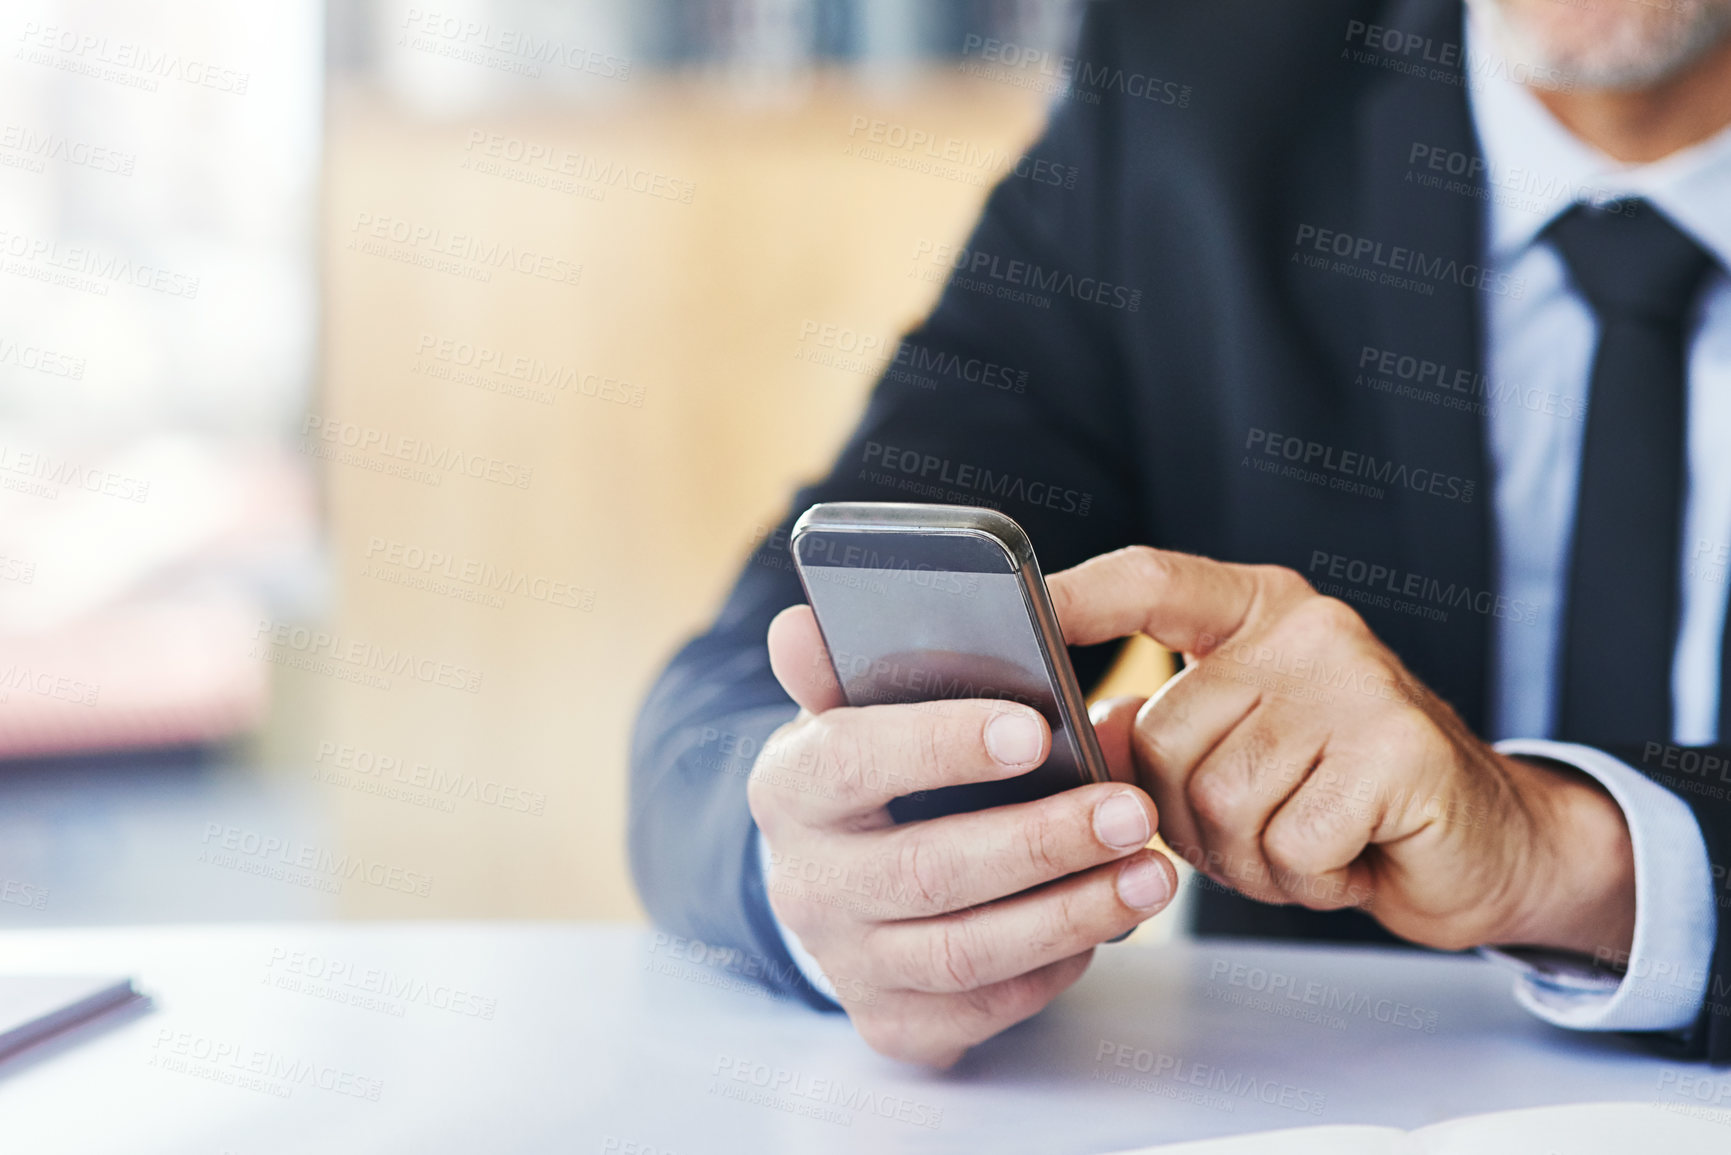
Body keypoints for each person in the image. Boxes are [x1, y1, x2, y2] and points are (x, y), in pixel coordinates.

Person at [630, 0, 1731, 1067]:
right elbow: (737, 688)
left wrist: (1582, 862)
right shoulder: (1190, 89)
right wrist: (828, 869)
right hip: (1314, 1103)